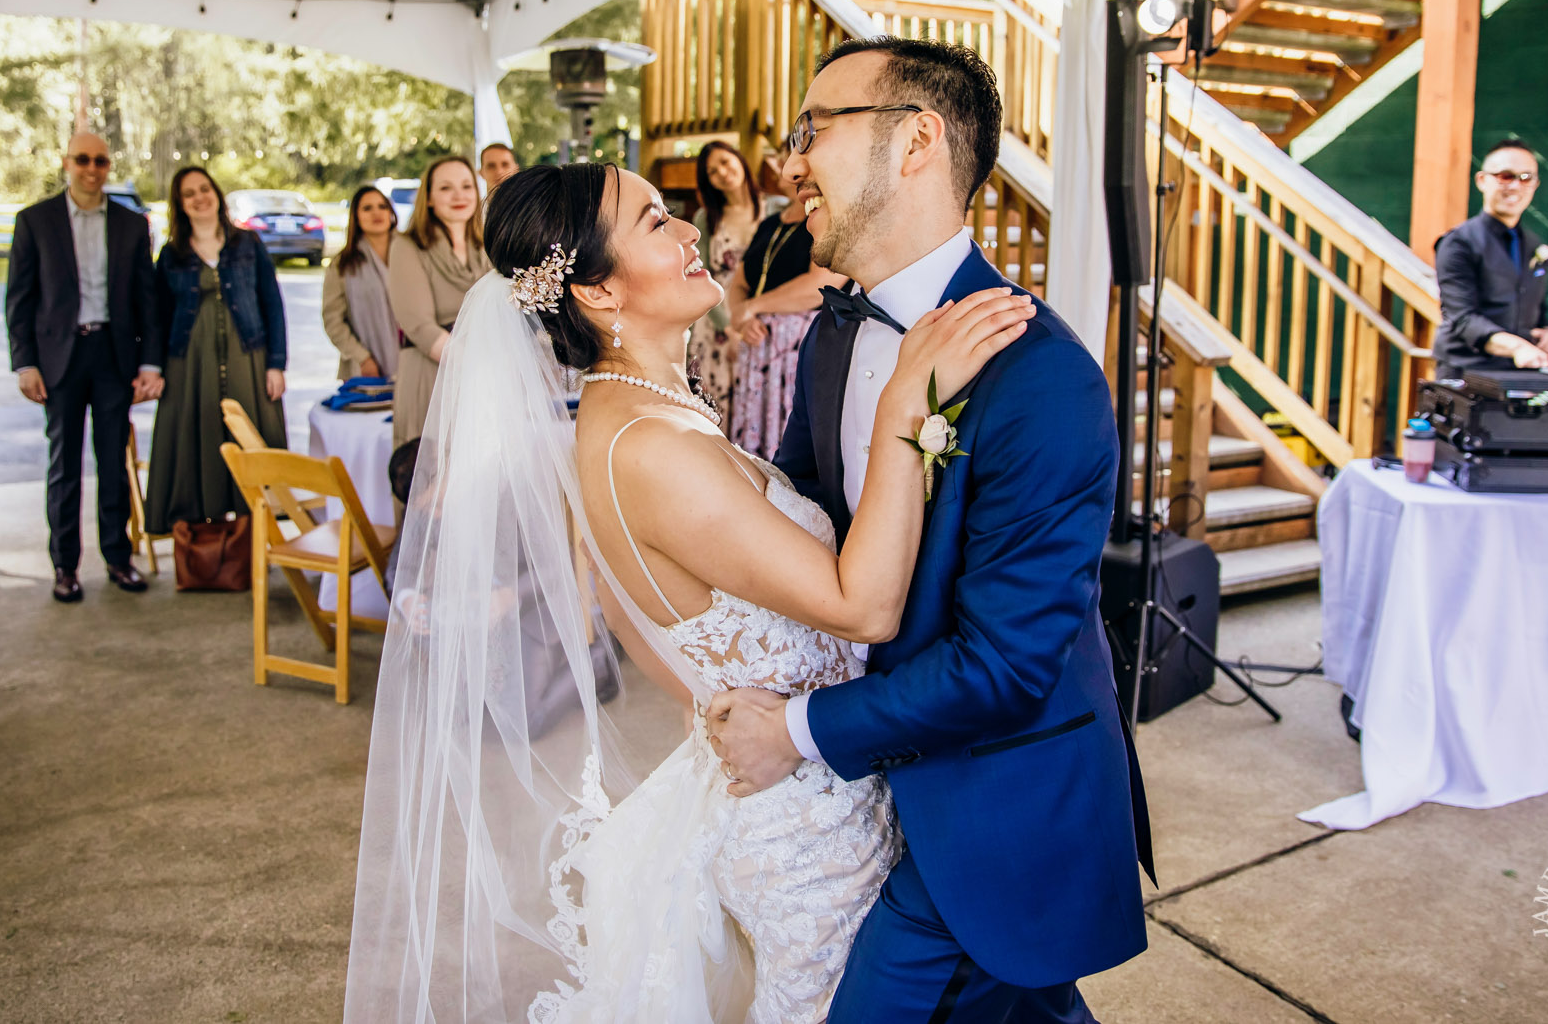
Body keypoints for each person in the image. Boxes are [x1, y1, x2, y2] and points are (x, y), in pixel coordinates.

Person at [343, 156, 1032, 1021]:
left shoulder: (635, 412)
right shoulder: (649, 447)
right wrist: (904, 406)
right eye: (654, 223)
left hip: (797, 783)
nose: (689, 233)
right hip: (810, 836)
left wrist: (718, 696)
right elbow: (865, 605)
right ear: (597, 292)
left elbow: (631, 613)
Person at [711, 36, 1154, 1022]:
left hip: (996, 802)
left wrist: (790, 731)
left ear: (914, 141)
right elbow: (802, 516)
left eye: (811, 130)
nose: (788, 162)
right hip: (868, 803)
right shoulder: (838, 329)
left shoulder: (1041, 377)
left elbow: (1001, 666)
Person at [6, 130, 164, 603]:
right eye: (83, 160)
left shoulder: (131, 224)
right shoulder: (35, 221)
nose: (92, 169)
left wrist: (150, 362)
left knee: (114, 462)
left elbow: (147, 302)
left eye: (100, 161)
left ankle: (118, 558)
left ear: (108, 166)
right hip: (60, 359)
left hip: (113, 357)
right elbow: (20, 299)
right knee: (64, 466)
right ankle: (65, 566)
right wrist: (25, 364)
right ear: (66, 163)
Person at [144, 167, 287, 537]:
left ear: (216, 193)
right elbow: (157, 318)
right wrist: (154, 368)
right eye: (188, 193)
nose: (199, 197)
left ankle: (253, 534)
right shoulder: (172, 255)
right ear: (180, 204)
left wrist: (276, 364)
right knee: (198, 439)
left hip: (249, 356)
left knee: (251, 436)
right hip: (189, 363)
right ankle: (205, 534)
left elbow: (272, 304)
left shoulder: (248, 244)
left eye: (204, 189)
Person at [727, 190, 845, 458]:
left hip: (797, 346)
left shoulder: (830, 218)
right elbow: (740, 283)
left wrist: (752, 307)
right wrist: (741, 317)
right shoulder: (770, 224)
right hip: (757, 344)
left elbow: (821, 284)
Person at [1432, 137, 1548, 377]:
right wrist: (1517, 347)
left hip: (1520, 376)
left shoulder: (1537, 246)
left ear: (1535, 184)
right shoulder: (1458, 243)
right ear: (1482, 180)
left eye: (1525, 178)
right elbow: (1463, 319)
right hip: (1466, 374)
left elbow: (1537, 315)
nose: (1515, 186)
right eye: (1505, 176)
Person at [387, 155, 490, 447]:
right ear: (429, 198)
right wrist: (480, 365)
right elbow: (419, 326)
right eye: (446, 188)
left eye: (467, 186)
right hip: (432, 376)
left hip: (485, 379)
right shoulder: (407, 246)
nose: (459, 195)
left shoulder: (488, 246)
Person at [685, 141, 767, 417]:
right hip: (717, 324)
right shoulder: (706, 218)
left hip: (759, 317)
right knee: (717, 409)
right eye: (711, 171)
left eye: (724, 161)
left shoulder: (776, 209)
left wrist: (748, 325)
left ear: (739, 159)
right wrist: (731, 329)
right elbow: (700, 276)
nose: (722, 172)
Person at [322, 184, 403, 380]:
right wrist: (362, 357)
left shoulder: (414, 253)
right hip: (365, 368)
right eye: (367, 208)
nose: (377, 213)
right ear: (356, 216)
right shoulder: (342, 264)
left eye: (382, 206)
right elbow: (333, 321)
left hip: (414, 363)